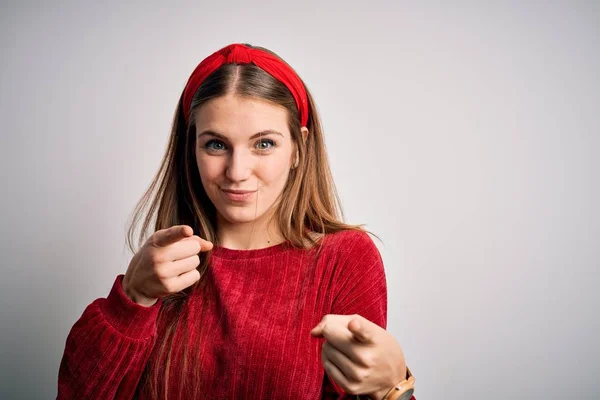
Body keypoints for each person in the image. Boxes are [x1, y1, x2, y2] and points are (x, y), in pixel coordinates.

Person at [56, 43, 416, 400]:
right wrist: (131, 299)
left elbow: (367, 386)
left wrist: (392, 389)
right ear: (191, 147)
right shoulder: (164, 267)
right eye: (216, 145)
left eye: (263, 144)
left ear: (298, 149)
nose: (237, 172)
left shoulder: (345, 258)